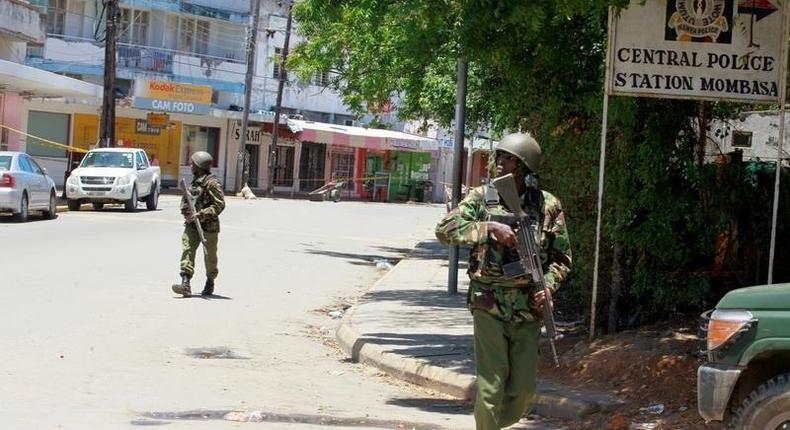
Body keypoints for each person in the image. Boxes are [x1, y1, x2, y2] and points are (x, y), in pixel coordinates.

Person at [435, 132, 572, 430]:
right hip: (489, 302)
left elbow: (562, 258)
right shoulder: (482, 198)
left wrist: (548, 285)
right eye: (499, 157)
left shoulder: (547, 205)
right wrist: (489, 227)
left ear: (523, 166)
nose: (500, 163)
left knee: (522, 392)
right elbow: (444, 229)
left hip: (528, 306)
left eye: (508, 158)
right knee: (490, 388)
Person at [172, 151, 225, 297]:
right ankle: (185, 283)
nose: (190, 166)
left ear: (199, 166)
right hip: (192, 225)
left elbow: (219, 205)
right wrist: (187, 214)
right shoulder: (194, 182)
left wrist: (201, 214)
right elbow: (186, 201)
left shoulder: (212, 183)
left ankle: (210, 281)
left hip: (209, 227)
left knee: (210, 257)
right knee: (187, 250)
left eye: (193, 164)